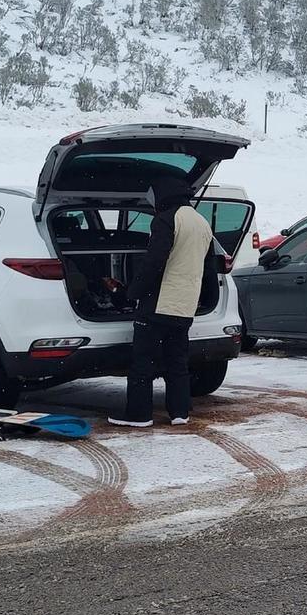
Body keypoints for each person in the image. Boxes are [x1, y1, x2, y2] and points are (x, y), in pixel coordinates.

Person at [111, 178, 216, 428]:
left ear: (163, 196)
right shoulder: (201, 222)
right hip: (185, 305)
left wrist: (132, 292)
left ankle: (139, 415)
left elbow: (154, 262)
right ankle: (179, 412)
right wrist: (207, 299)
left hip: (159, 302)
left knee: (143, 363)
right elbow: (209, 266)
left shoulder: (167, 219)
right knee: (177, 361)